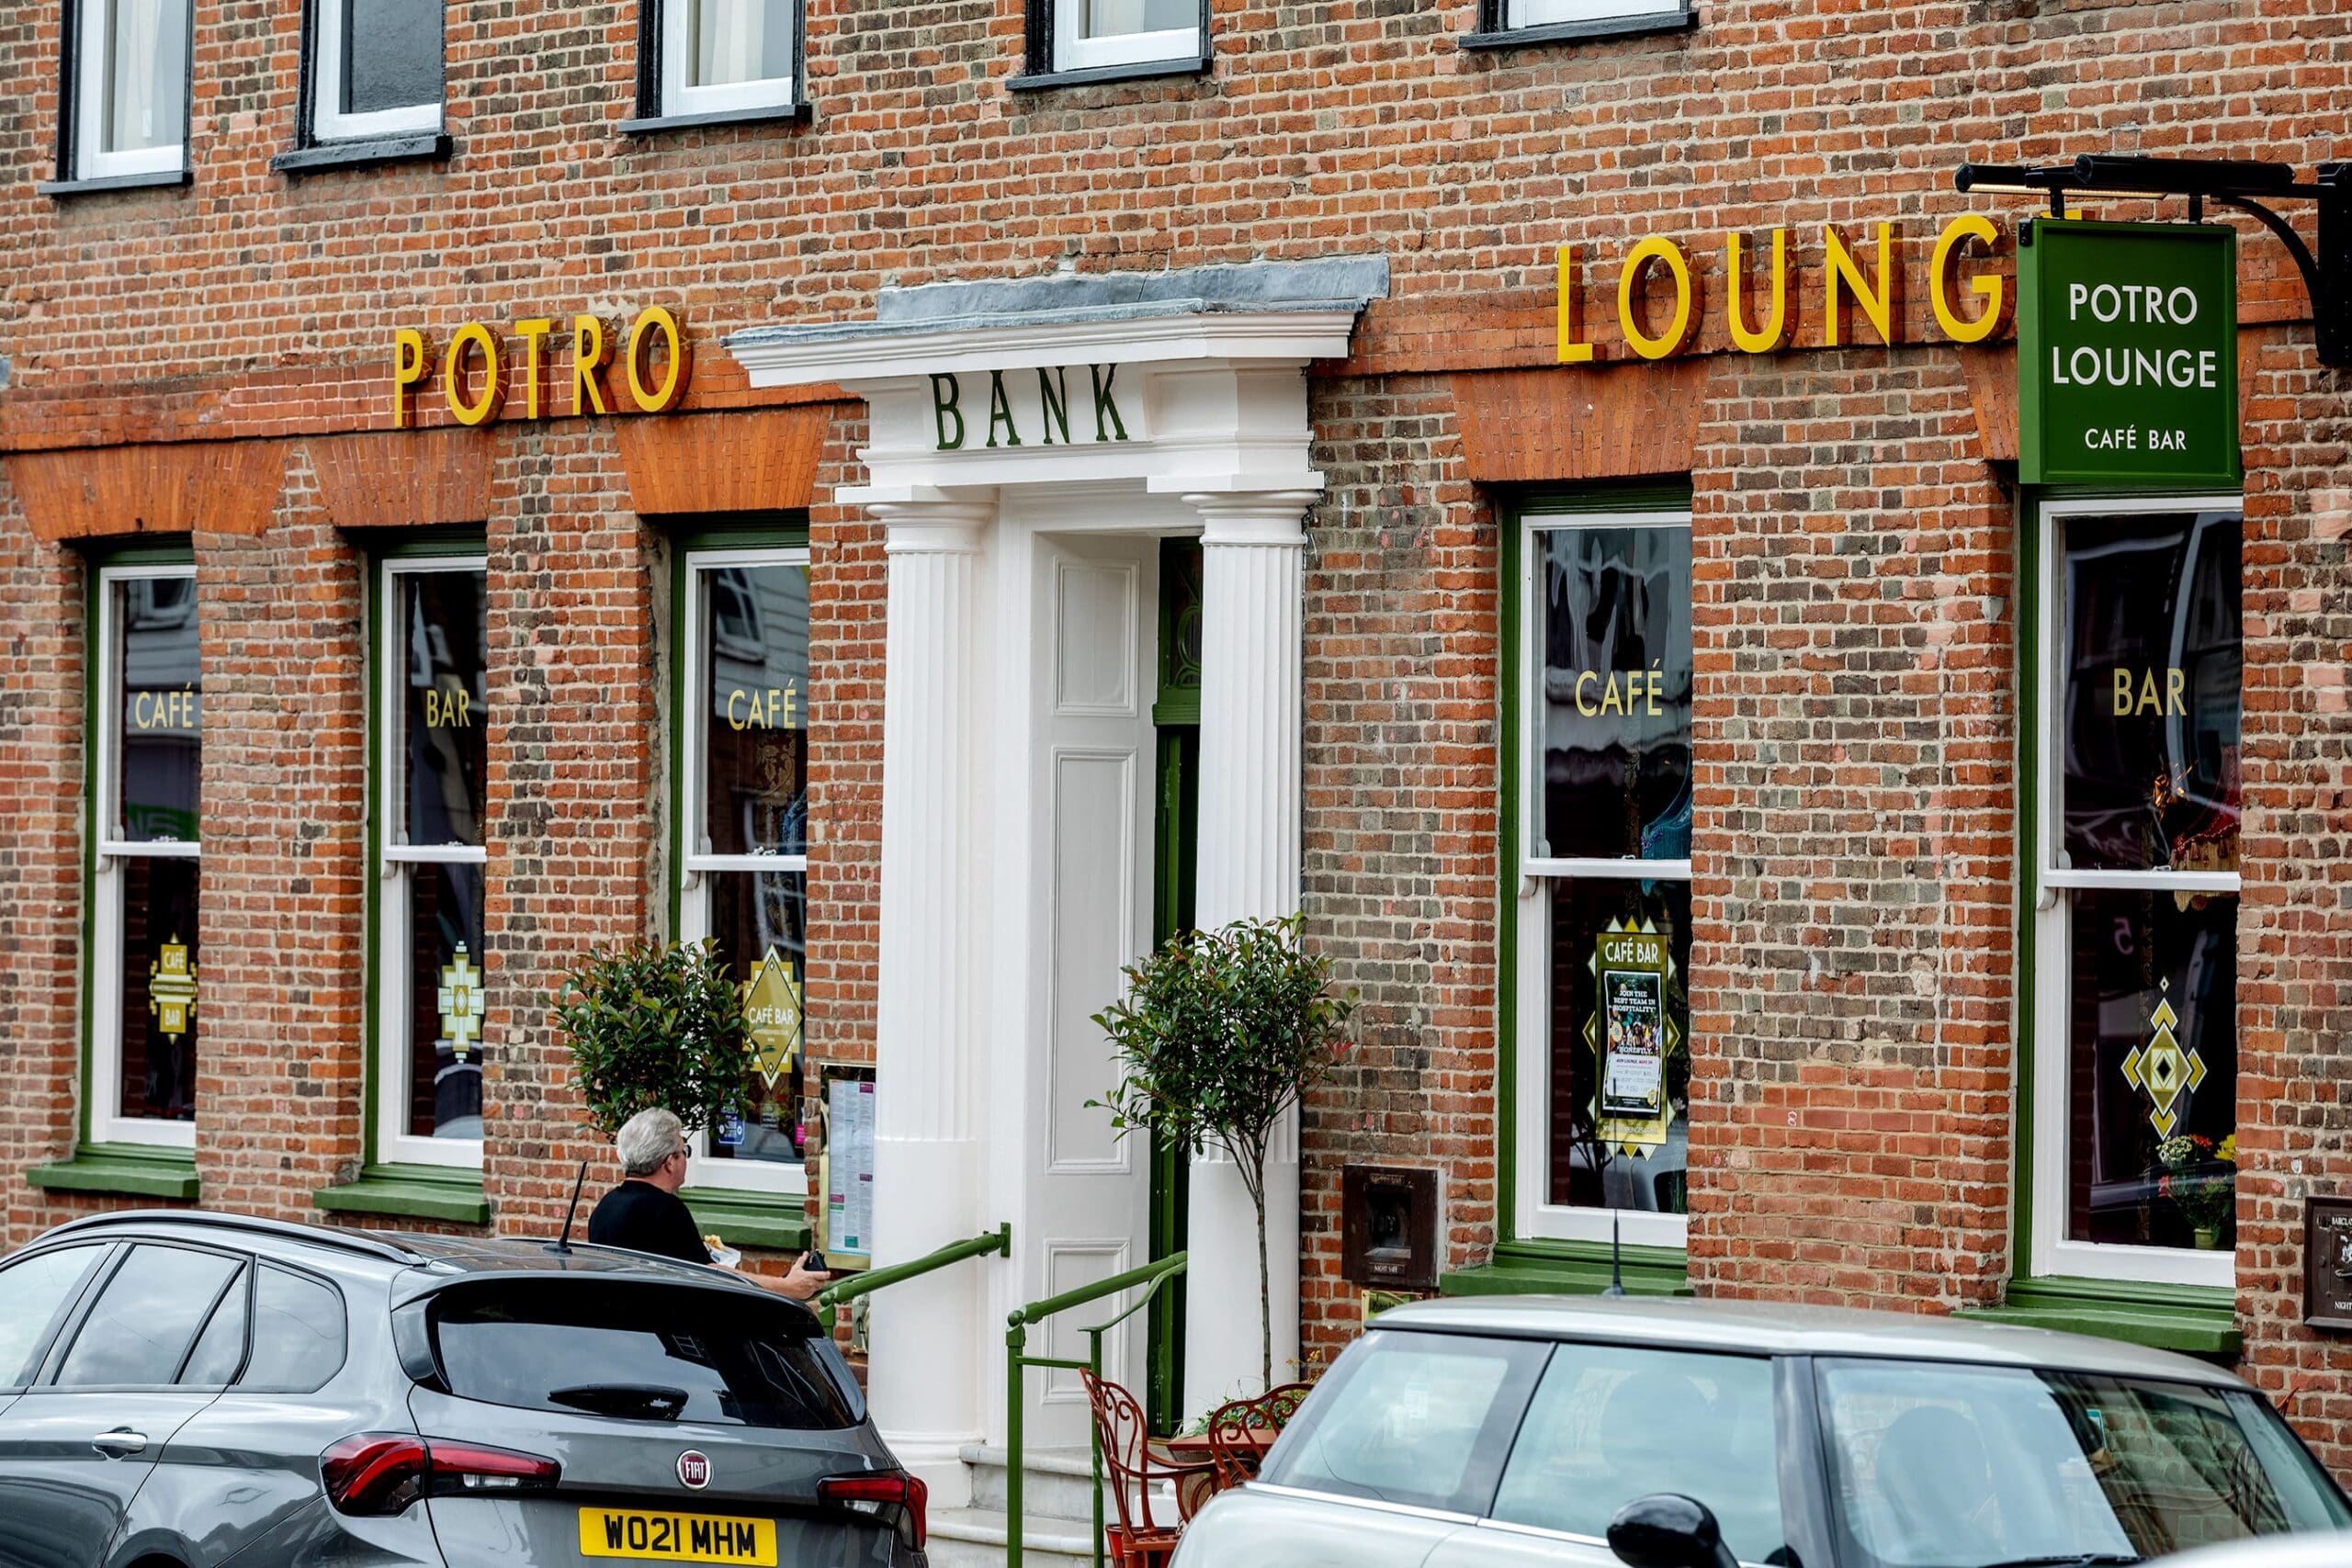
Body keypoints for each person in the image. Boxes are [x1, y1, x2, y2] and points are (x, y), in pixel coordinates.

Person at [588, 1108, 831, 1302]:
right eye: (685, 1152)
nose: (685, 1159)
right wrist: (787, 1287)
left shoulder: (605, 1208)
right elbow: (711, 1276)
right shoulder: (664, 1211)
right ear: (669, 1163)